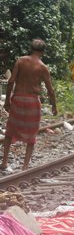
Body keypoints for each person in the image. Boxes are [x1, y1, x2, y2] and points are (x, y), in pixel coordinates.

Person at [1, 39, 57, 171]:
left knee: (10, 131)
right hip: (32, 102)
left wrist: (7, 100)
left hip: (18, 99)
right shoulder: (43, 67)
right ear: (43, 52)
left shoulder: (20, 61)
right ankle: (25, 167)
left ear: (31, 48)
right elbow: (50, 90)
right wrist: (54, 105)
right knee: (31, 135)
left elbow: (11, 81)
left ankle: (4, 162)